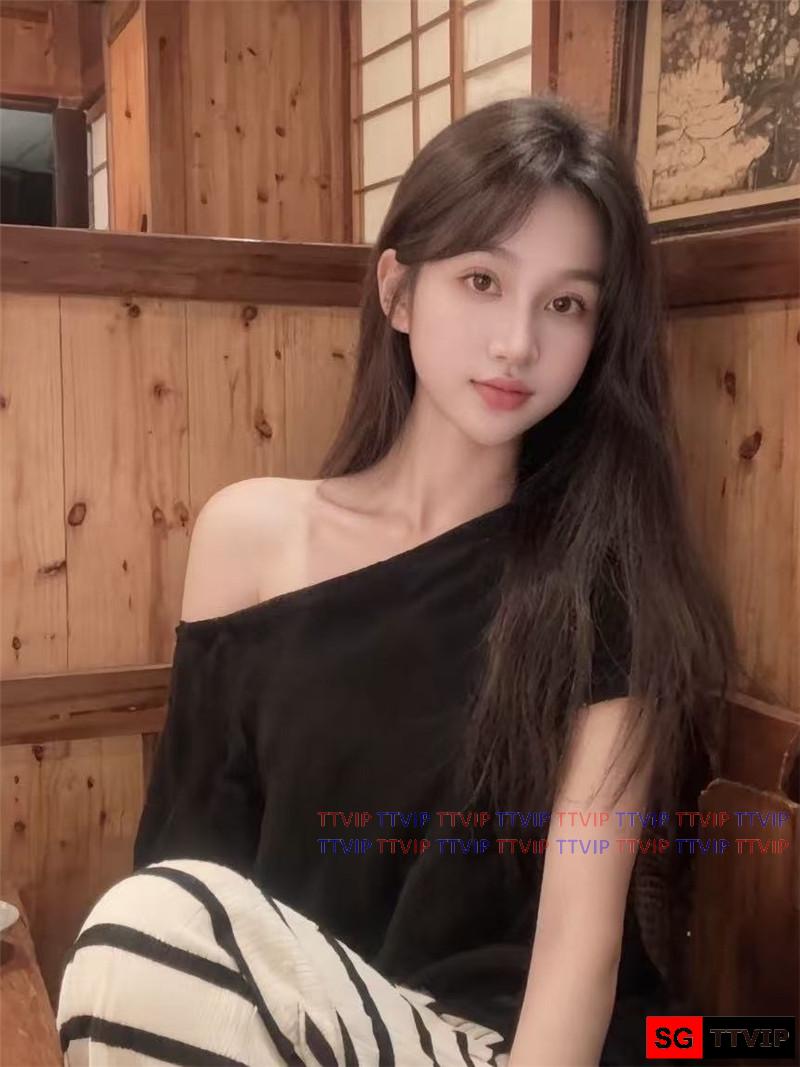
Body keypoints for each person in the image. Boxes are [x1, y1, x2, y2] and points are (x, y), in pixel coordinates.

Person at [55, 93, 743, 1066]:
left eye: (565, 304)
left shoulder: (604, 583)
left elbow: (576, 952)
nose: (517, 343)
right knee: (138, 931)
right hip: (294, 1028)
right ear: (399, 291)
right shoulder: (248, 537)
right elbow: (190, 871)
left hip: (504, 1044)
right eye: (481, 280)